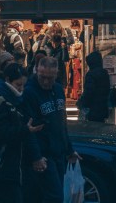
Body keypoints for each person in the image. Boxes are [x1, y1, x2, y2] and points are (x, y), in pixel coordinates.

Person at [0, 63, 43, 203]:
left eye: (23, 85)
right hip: (1, 164)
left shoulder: (17, 99)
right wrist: (25, 130)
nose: (21, 89)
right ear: (8, 80)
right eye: (18, 84)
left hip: (13, 164)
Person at [23, 56, 81, 203]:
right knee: (54, 196)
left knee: (54, 193)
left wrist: (69, 149)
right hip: (44, 153)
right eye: (42, 77)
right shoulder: (30, 92)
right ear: (37, 71)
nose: (46, 81)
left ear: (56, 74)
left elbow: (62, 123)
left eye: (50, 77)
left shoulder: (58, 89)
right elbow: (29, 129)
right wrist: (36, 156)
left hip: (58, 151)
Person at [78, 51, 110, 122]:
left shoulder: (91, 74)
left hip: (93, 108)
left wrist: (83, 103)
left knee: (92, 127)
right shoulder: (104, 73)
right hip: (103, 106)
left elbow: (89, 92)